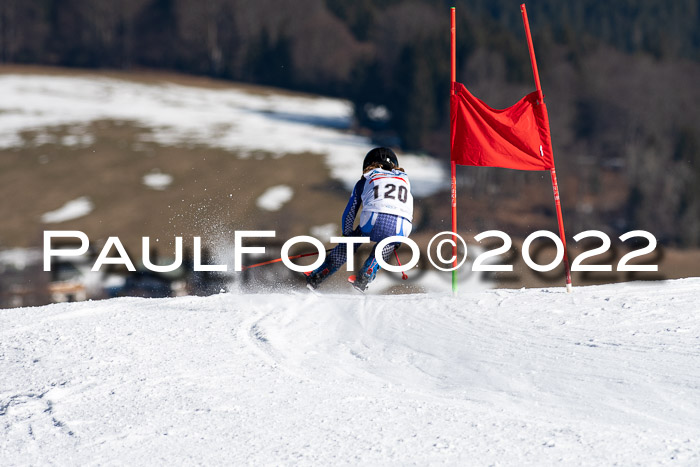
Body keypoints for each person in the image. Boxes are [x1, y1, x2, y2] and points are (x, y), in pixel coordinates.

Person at [306, 147, 414, 292]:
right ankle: (366, 275)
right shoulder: (404, 180)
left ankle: (318, 276)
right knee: (388, 243)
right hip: (402, 226)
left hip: (373, 220)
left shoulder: (367, 179)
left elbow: (350, 212)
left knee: (354, 238)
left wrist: (346, 236)